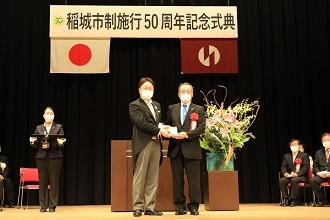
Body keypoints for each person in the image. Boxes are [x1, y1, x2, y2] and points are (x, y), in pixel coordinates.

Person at [129, 77, 171, 217]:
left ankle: (150, 206)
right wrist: (160, 130)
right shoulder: (134, 105)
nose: (148, 91)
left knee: (153, 177)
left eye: (150, 89)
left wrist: (164, 127)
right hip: (143, 143)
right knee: (140, 176)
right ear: (139, 90)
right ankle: (138, 206)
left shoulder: (157, 105)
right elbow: (141, 123)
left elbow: (155, 123)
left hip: (156, 143)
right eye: (145, 88)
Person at [165, 82, 206, 215]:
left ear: (192, 94)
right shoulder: (172, 108)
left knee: (194, 180)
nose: (185, 94)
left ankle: (194, 206)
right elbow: (167, 125)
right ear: (178, 94)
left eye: (188, 91)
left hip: (192, 149)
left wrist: (186, 134)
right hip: (175, 149)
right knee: (177, 180)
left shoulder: (199, 109)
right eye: (183, 91)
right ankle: (180, 205)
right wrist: (167, 131)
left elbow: (201, 128)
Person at [29, 107, 66, 213]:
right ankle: (43, 206)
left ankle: (52, 205)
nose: (49, 115)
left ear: (54, 116)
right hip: (41, 157)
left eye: (51, 114)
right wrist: (32, 141)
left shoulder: (58, 127)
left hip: (55, 156)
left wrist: (61, 142)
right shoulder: (39, 128)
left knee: (54, 181)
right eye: (47, 114)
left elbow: (61, 140)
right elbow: (36, 144)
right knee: (43, 181)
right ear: (43, 116)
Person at [278, 139, 309, 207]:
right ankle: (285, 199)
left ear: (299, 146)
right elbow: (283, 167)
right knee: (281, 180)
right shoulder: (286, 156)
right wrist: (285, 173)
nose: (294, 146)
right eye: (292, 145)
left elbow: (305, 168)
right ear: (290, 146)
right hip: (290, 176)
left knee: (294, 180)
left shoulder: (304, 155)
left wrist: (297, 174)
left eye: (295, 144)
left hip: (301, 176)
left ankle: (293, 199)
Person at [310, 133, 330, 207]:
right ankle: (322, 199)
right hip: (321, 174)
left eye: (328, 140)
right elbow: (315, 166)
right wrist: (318, 173)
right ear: (322, 142)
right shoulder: (318, 153)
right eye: (324, 140)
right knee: (312, 180)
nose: (326, 142)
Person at [0, 146, 14, 211]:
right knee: (0, 182)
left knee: (8, 182)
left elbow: (7, 169)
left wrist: (3, 176)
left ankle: (10, 202)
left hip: (2, 177)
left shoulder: (3, 158)